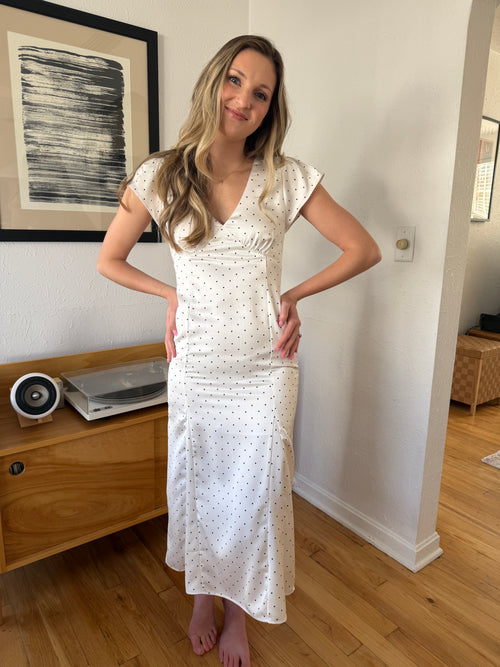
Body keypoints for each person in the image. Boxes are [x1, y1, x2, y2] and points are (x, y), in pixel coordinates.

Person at [97, 34, 381, 667]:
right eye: (235, 80)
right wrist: (169, 295)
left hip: (265, 368)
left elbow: (363, 249)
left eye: (261, 93)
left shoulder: (287, 176)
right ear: (213, 82)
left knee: (259, 495)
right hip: (197, 365)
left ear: (271, 107)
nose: (244, 100)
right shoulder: (160, 175)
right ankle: (203, 599)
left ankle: (240, 615)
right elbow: (109, 259)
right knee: (199, 487)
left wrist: (294, 295)